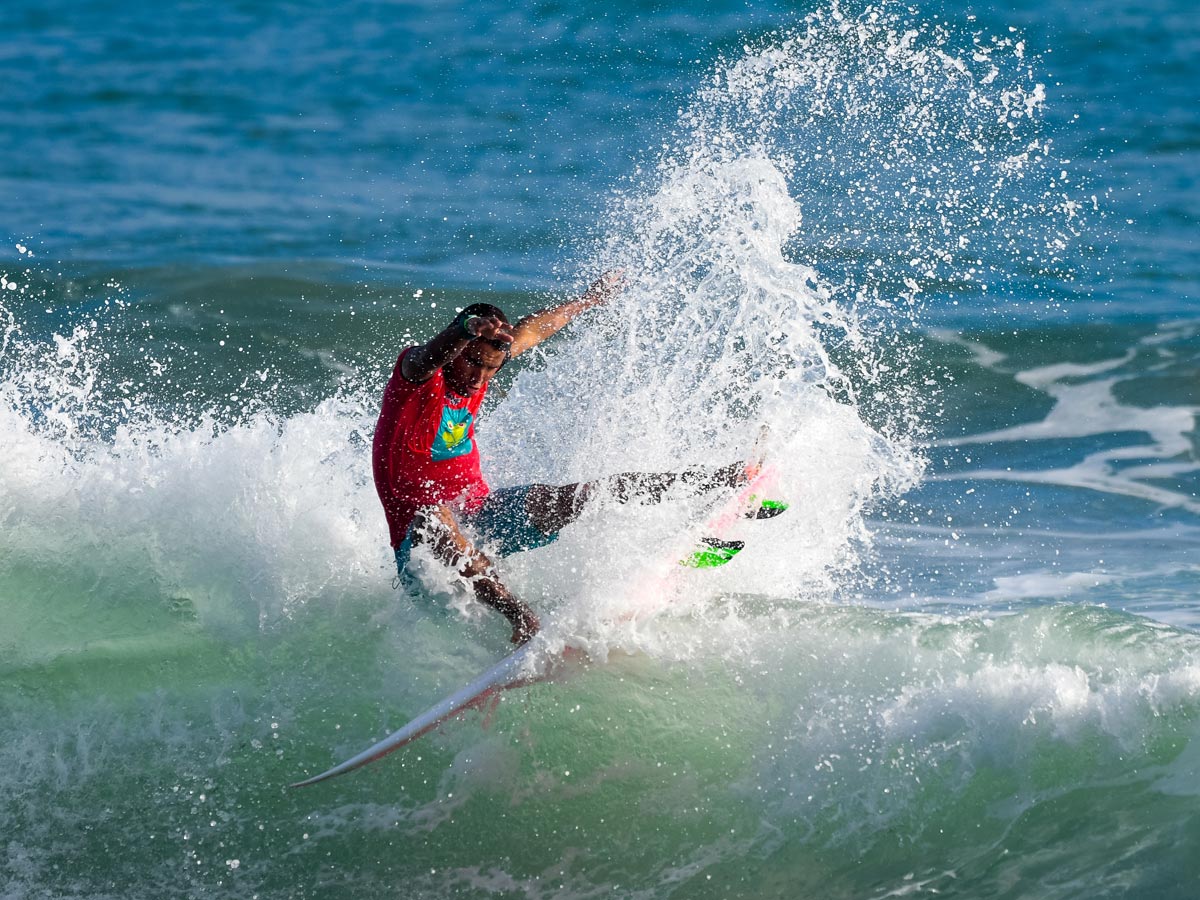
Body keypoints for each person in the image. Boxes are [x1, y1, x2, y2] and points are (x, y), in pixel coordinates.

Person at [372, 272, 750, 644]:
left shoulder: (489, 359)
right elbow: (427, 356)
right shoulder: (418, 376)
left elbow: (534, 329)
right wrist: (467, 329)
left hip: (479, 513)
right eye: (474, 363)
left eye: (490, 368)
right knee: (433, 518)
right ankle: (521, 617)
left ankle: (709, 482)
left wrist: (589, 299)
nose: (479, 377)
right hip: (423, 552)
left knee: (572, 496)